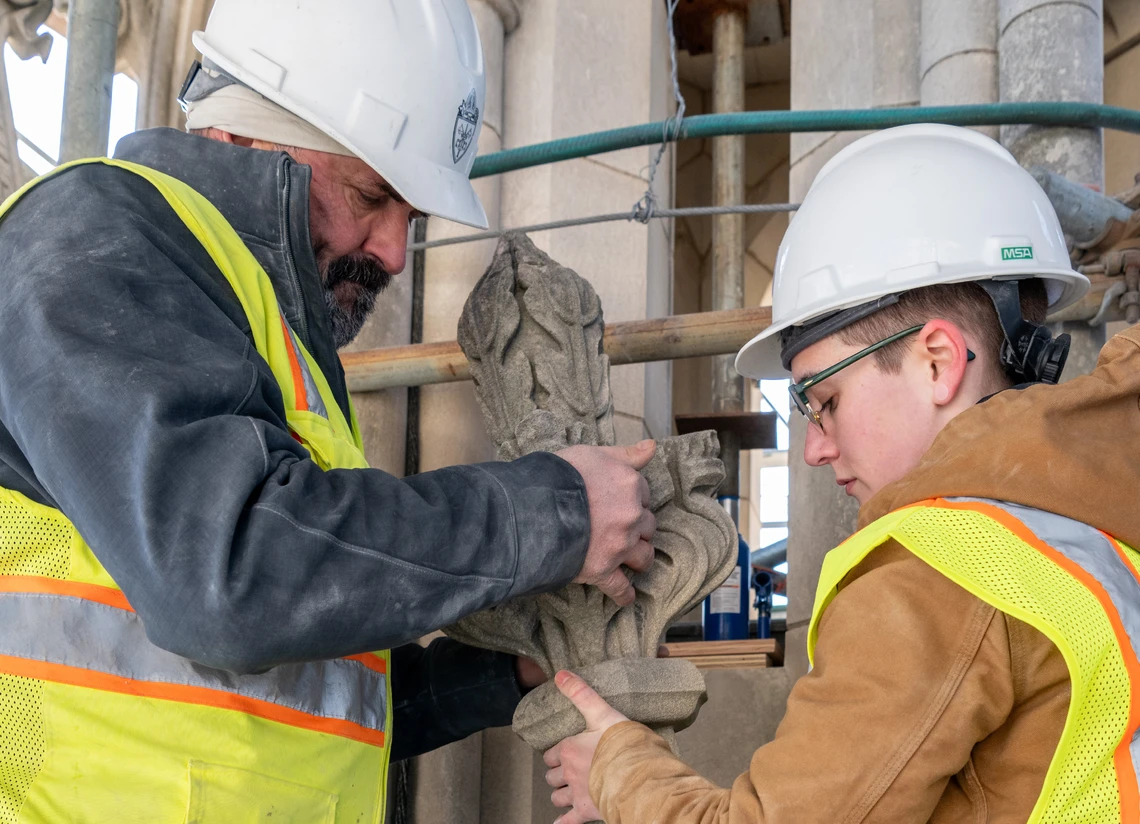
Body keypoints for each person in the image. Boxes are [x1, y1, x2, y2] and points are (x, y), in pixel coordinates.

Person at [0, 2, 657, 821]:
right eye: (371, 195)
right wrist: (552, 512)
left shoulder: (269, 332)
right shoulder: (90, 233)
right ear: (245, 134)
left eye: (409, 219)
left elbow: (301, 700)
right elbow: (226, 575)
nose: (393, 251)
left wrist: (504, 674)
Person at [544, 123, 1140, 824]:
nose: (815, 451)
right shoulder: (1093, 527)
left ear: (938, 362)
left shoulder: (948, 569)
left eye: (824, 401)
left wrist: (617, 768)